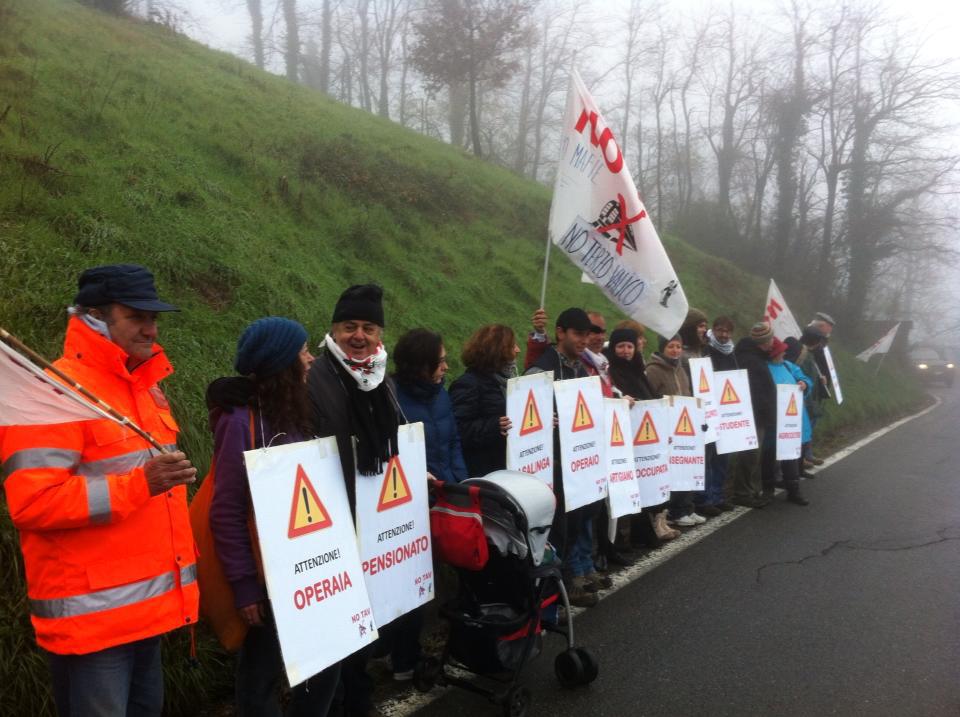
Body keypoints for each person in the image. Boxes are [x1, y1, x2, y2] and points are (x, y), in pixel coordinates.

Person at [1, 264, 199, 716]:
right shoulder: (52, 394)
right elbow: (32, 503)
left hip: (147, 614)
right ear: (94, 317)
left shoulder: (145, 389)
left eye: (155, 317)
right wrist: (139, 485)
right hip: (92, 627)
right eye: (136, 317)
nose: (151, 328)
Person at [208, 317, 341, 716]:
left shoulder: (295, 410)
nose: (311, 358)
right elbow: (226, 510)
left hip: (309, 571)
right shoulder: (239, 423)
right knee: (260, 678)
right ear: (284, 363)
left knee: (326, 665)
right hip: (267, 577)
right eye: (303, 351)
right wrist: (246, 587)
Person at [306, 284, 402, 717]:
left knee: (364, 611)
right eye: (349, 327)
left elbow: (395, 437)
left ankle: (358, 697)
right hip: (328, 517)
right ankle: (337, 701)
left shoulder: (380, 377)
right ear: (334, 329)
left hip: (371, 517)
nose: (358, 336)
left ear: (380, 334)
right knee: (333, 622)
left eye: (367, 327)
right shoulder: (315, 376)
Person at [525, 308, 605, 607]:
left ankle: (573, 577)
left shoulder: (579, 368)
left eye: (587, 334)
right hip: (551, 465)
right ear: (561, 333)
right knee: (559, 528)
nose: (584, 340)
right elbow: (527, 418)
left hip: (576, 462)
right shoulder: (542, 370)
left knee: (578, 519)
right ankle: (561, 588)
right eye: (577, 334)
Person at [603, 328, 678, 545]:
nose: (626, 351)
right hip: (627, 439)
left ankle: (648, 527)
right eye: (620, 346)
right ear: (613, 348)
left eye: (629, 346)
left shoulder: (638, 371)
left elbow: (651, 399)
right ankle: (626, 535)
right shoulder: (612, 373)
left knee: (648, 482)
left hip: (646, 439)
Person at [393, 329, 467, 485]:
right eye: (439, 362)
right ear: (420, 365)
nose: (445, 367)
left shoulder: (442, 395)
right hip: (415, 495)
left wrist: (460, 480)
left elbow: (453, 442)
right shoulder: (391, 400)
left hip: (449, 492)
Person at [645, 334, 704, 528]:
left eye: (678, 346)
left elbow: (687, 396)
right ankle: (674, 511)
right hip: (666, 428)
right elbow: (651, 400)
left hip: (683, 428)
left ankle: (687, 507)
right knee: (673, 472)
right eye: (671, 346)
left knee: (686, 467)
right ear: (662, 348)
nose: (675, 350)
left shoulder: (680, 369)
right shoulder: (653, 370)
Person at [449, 324, 520, 479]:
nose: (517, 350)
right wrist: (493, 426)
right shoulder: (468, 384)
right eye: (512, 346)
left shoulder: (509, 382)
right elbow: (457, 430)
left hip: (506, 468)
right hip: (483, 473)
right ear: (498, 350)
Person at [730, 322, 778, 507]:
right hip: (753, 415)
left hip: (756, 415)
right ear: (763, 342)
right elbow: (756, 392)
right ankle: (742, 493)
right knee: (749, 454)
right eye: (770, 339)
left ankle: (748, 490)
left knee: (753, 455)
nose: (773, 342)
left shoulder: (755, 357)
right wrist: (767, 413)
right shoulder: (751, 360)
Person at [763, 337, 812, 505]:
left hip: (790, 420)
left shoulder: (788, 366)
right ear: (775, 353)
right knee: (769, 455)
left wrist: (804, 383)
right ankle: (767, 490)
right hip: (772, 419)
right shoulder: (764, 369)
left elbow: (805, 378)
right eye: (782, 350)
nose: (785, 352)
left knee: (790, 456)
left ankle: (793, 490)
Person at [702, 316, 737, 512]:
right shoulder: (706, 350)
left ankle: (718, 495)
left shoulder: (732, 352)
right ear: (713, 330)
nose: (723, 335)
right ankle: (706, 498)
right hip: (710, 411)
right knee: (710, 457)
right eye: (720, 330)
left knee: (724, 456)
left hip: (728, 412)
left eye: (727, 331)